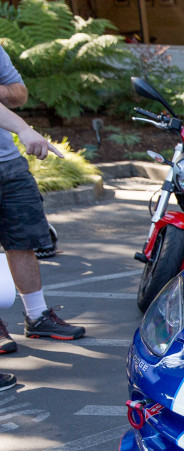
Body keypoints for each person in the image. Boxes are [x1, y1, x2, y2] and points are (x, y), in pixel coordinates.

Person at [0, 44, 85, 360]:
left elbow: (19, 93)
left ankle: (37, 317)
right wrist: (23, 128)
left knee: (22, 240)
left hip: (8, 161)